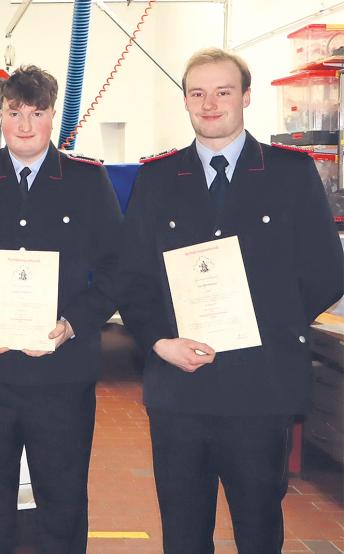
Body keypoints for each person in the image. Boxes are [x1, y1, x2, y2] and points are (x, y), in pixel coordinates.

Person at [118, 48, 344, 553]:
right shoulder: (155, 181)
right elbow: (131, 277)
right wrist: (159, 341)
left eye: (223, 91)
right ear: (185, 101)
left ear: (245, 96)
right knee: (182, 532)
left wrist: (264, 326)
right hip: (180, 388)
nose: (210, 103)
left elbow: (326, 270)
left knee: (259, 530)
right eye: (197, 93)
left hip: (260, 388)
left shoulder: (291, 173)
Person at [0, 65, 122, 554]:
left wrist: (74, 323)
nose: (24, 124)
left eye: (36, 113)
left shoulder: (87, 181)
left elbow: (118, 268)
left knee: (61, 501)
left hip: (61, 374)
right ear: (1, 115)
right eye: (14, 112)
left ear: (53, 117)